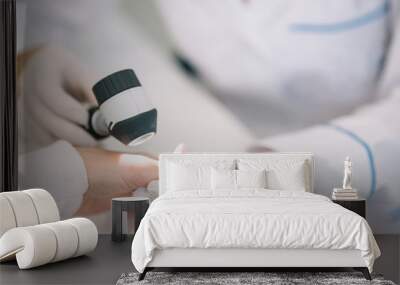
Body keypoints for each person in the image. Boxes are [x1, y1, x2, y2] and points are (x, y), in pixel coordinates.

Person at [17, 0, 400, 233]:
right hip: (210, 148)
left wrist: (275, 169)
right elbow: (50, 15)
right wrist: (28, 56)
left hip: (368, 177)